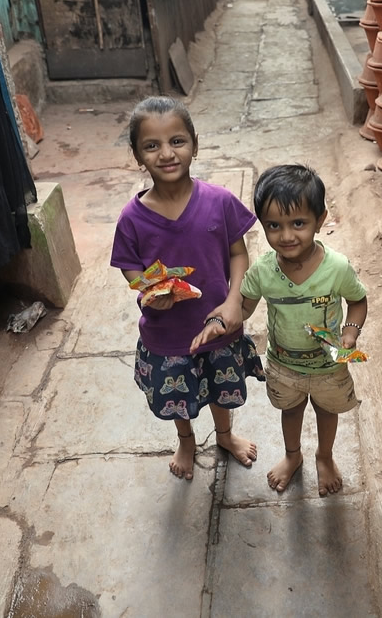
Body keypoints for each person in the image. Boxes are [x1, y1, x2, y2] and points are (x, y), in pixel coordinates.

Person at [111, 96, 265, 481]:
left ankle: (225, 435)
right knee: (178, 397)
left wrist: (234, 303)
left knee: (220, 388)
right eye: (152, 145)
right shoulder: (132, 219)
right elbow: (131, 270)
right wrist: (149, 290)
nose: (167, 153)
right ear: (137, 155)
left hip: (218, 325)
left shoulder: (220, 202)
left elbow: (238, 253)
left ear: (194, 144)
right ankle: (186, 441)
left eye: (177, 141)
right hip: (166, 334)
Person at [191, 165, 368, 496]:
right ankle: (292, 456)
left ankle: (325, 457)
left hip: (330, 366)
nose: (286, 236)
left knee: (327, 411)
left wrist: (351, 333)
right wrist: (221, 319)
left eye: (298, 223)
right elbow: (243, 307)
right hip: (284, 366)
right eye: (274, 226)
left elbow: (358, 301)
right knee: (291, 410)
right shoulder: (262, 272)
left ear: (320, 218)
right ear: (263, 225)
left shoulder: (337, 269)